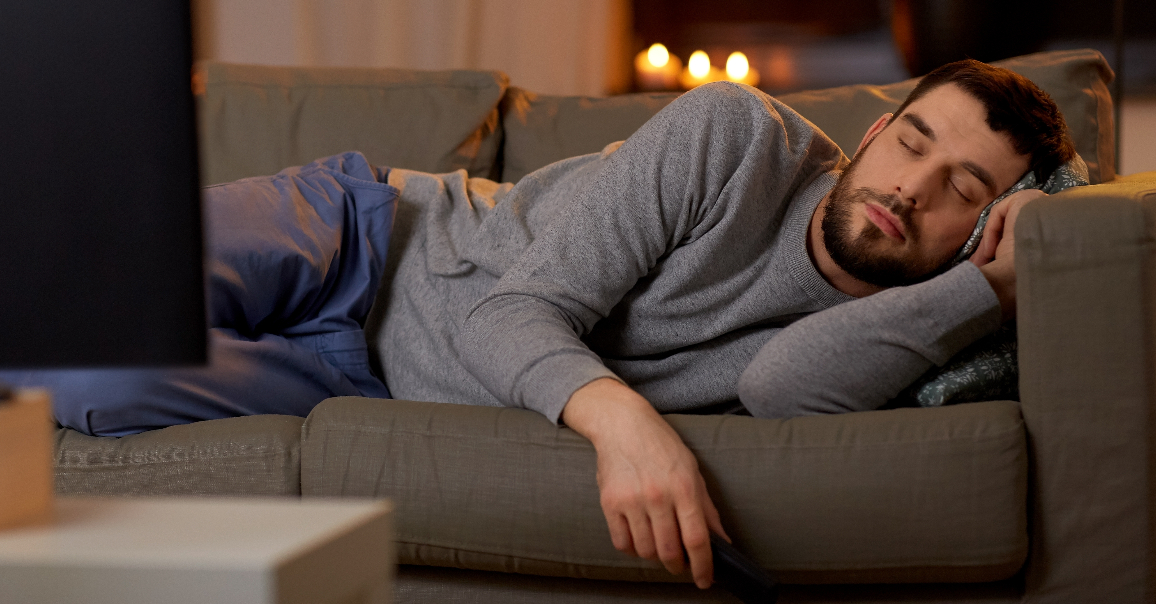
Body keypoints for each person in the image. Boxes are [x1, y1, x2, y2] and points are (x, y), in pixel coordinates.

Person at [8, 59, 1075, 590]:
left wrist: (995, 288)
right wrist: (625, 424)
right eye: (912, 143)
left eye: (963, 190)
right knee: (57, 294)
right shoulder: (736, 137)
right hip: (371, 235)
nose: (911, 189)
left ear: (981, 231)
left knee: (84, 380)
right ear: (875, 130)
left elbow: (786, 390)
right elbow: (509, 310)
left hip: (364, 383)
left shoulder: (902, 321)